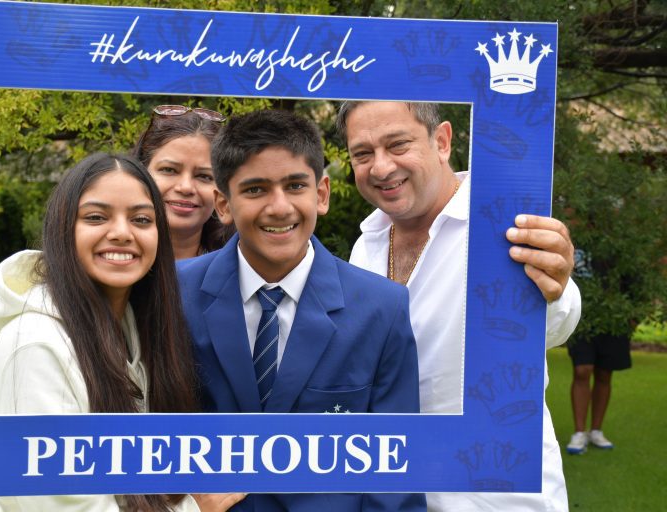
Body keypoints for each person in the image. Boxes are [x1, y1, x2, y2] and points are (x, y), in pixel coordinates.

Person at [0, 153, 245, 512]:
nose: (122, 233)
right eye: (96, 217)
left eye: (141, 219)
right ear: (63, 229)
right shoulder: (37, 345)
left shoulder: (142, 330)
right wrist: (194, 508)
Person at [177, 109, 426, 511]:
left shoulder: (382, 308)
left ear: (321, 193)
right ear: (222, 204)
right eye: (255, 189)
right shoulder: (175, 294)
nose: (279, 207)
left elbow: (395, 472)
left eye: (295, 186)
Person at [337, 101, 581, 511]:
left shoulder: (503, 223)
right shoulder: (365, 246)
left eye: (398, 145)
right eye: (363, 153)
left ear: (442, 141)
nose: (380, 167)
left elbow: (553, 324)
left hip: (497, 498)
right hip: (397, 492)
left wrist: (556, 287)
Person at [133, 104, 233, 260]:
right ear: (140, 172)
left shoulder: (241, 267)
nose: (186, 187)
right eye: (169, 170)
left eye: (204, 176)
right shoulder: (105, 266)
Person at [566, 332, 631, 454]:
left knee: (604, 373)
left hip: (611, 328)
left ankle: (596, 431)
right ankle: (579, 433)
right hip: (583, 325)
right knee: (582, 370)